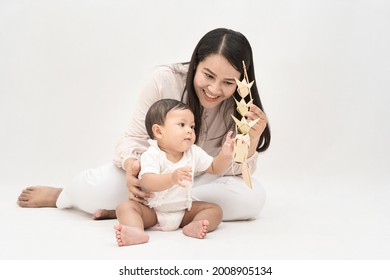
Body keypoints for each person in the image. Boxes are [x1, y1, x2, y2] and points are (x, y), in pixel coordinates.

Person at [17, 27, 271, 221]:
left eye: (228, 82)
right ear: (196, 63)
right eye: (208, 75)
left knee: (252, 199)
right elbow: (131, 140)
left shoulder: (242, 108)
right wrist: (132, 168)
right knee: (97, 189)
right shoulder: (164, 80)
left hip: (202, 181)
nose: (215, 89)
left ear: (241, 80)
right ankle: (63, 195)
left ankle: (145, 212)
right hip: (154, 177)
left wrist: (247, 150)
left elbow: (228, 172)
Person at [114, 99, 234, 246]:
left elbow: (215, 168)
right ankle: (136, 231)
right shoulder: (152, 154)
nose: (189, 130)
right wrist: (171, 178)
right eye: (182, 125)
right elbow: (147, 181)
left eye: (192, 126)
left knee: (215, 210)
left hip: (183, 212)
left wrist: (225, 155)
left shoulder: (193, 152)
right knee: (125, 207)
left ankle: (194, 225)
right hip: (153, 211)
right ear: (158, 131)